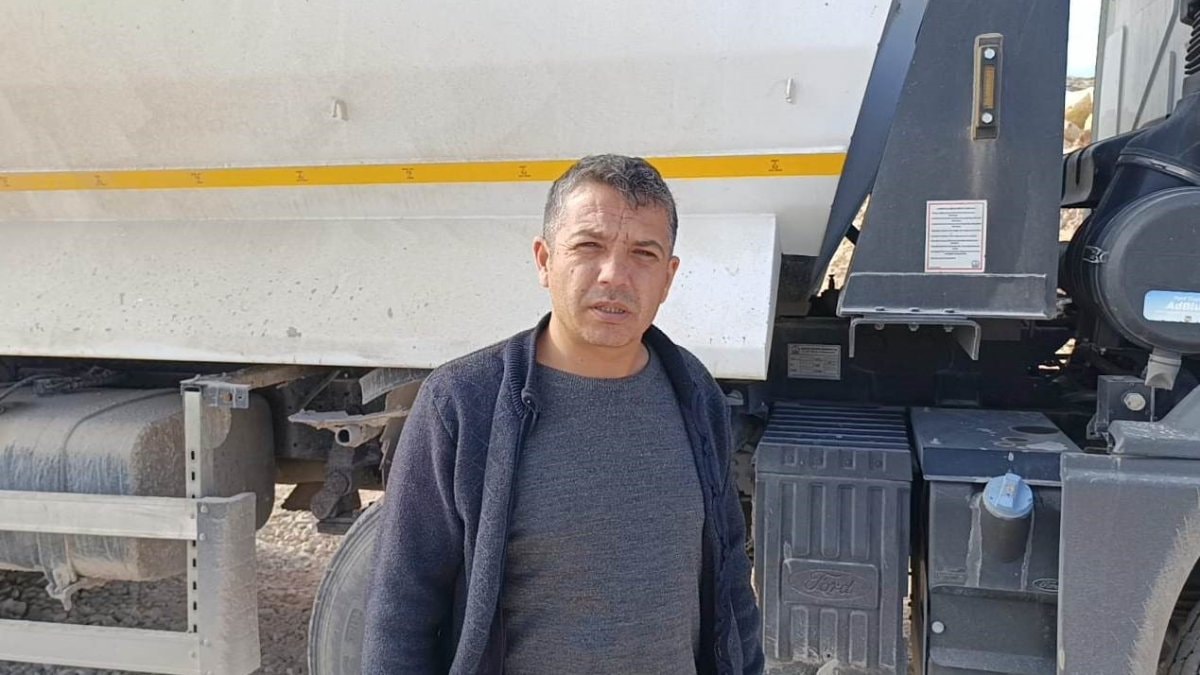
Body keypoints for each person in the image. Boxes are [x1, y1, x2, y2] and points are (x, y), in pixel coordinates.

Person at [362, 154, 763, 675]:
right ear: (544, 260)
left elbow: (731, 583)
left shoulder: (693, 393)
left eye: (643, 253)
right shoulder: (463, 404)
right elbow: (401, 610)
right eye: (589, 246)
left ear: (668, 278)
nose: (615, 275)